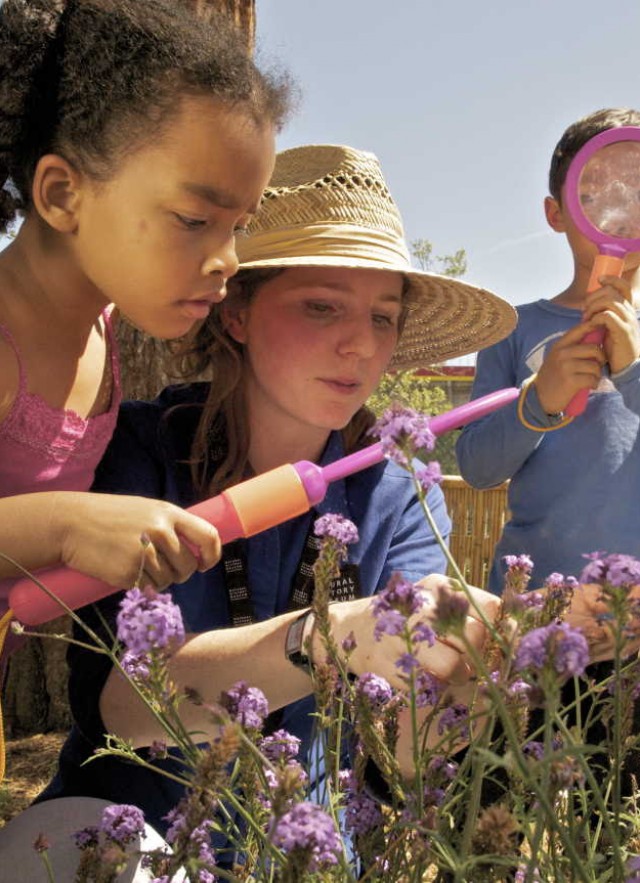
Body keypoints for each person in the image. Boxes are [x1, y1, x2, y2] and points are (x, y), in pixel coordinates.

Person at [39, 144, 517, 843]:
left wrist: (466, 685)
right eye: (322, 307)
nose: (361, 344)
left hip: (301, 854)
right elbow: (118, 702)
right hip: (110, 845)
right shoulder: (144, 450)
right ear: (235, 313)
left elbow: (399, 765)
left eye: (383, 317)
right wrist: (328, 639)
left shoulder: (398, 488)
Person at [0, 0, 291, 661]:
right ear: (63, 195)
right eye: (194, 219)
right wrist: (70, 525)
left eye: (237, 226)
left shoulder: (101, 328)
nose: (228, 259)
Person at [456, 107, 640, 594]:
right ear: (557, 213)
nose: (621, 211)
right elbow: (476, 468)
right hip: (531, 613)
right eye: (595, 192)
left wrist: (633, 372)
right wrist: (539, 401)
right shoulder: (512, 330)